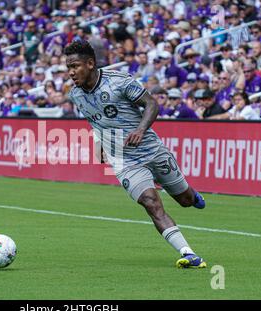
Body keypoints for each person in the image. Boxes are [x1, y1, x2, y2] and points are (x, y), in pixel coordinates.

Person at [64, 40, 206, 269]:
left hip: (151, 149)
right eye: (68, 67)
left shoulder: (118, 81)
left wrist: (140, 129)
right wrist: (99, 144)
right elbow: (95, 121)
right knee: (151, 203)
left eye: (75, 66)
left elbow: (151, 104)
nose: (71, 72)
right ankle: (188, 252)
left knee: (185, 200)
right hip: (123, 160)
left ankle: (192, 194)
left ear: (90, 64)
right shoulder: (76, 95)